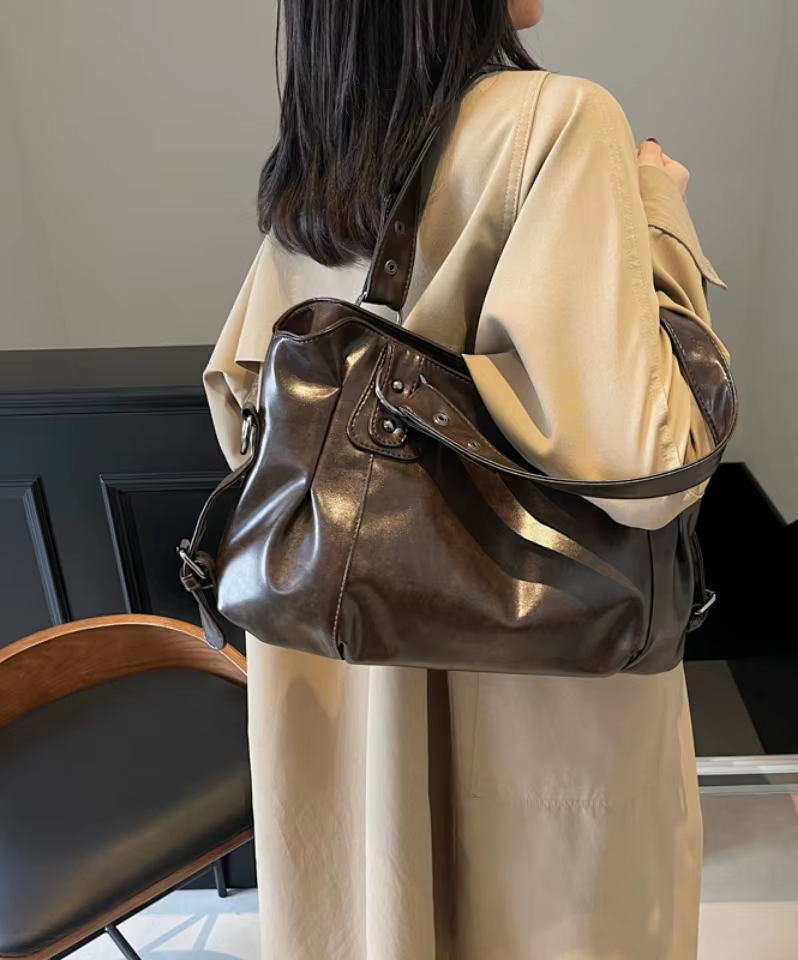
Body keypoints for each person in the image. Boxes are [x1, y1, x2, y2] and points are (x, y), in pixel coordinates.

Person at [205, 0, 726, 957]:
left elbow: (243, 419)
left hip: (337, 665)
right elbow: (651, 466)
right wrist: (658, 214)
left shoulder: (318, 165)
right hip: (531, 672)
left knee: (371, 909)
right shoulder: (560, 121)